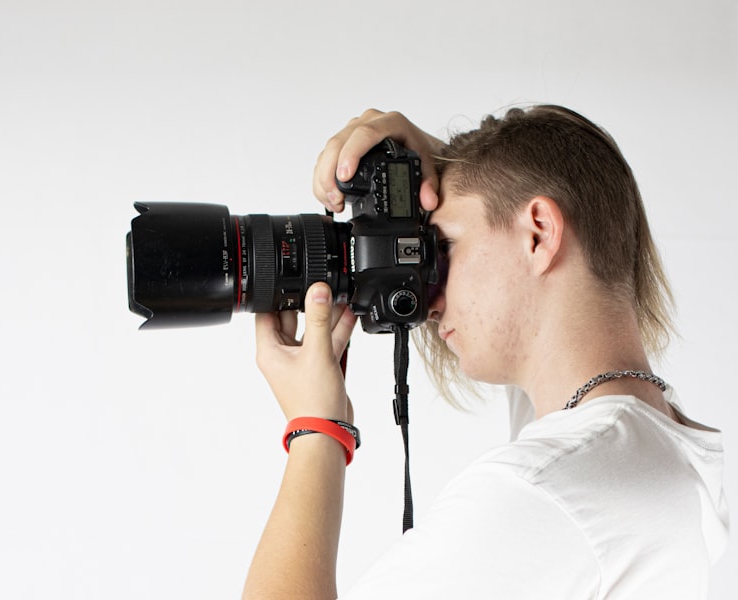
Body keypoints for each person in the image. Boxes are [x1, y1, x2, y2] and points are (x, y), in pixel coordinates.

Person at [243, 107, 729, 599]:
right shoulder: (662, 452)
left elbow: (554, 491)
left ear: (538, 232)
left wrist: (317, 429)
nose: (428, 295)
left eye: (443, 245)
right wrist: (440, 174)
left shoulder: (547, 493)